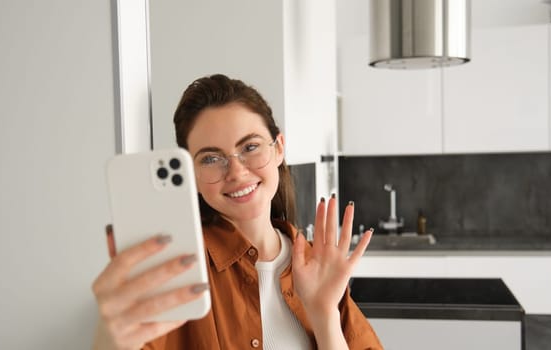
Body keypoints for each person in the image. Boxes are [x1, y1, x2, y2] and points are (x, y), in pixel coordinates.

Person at [92, 74, 380, 349]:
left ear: (278, 148)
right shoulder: (175, 271)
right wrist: (109, 343)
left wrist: (325, 315)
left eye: (250, 146)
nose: (237, 172)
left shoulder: (319, 266)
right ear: (190, 173)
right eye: (211, 158)